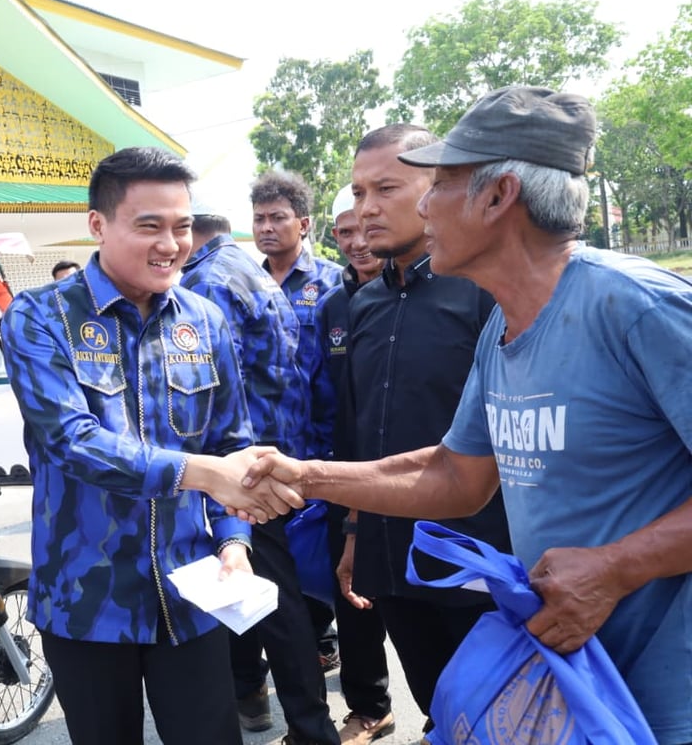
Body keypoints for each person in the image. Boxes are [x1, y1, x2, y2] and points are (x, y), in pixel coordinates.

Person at [243, 86, 692, 745]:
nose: (425, 205)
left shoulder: (635, 307)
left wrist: (615, 567)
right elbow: (457, 475)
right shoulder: (502, 325)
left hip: (666, 696)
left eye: (443, 184)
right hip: (569, 684)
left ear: (498, 196)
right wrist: (305, 476)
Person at [0, 146, 302, 745]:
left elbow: (231, 442)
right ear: (98, 224)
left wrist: (234, 541)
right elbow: (71, 441)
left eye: (182, 227)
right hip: (85, 600)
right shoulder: (39, 317)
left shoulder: (204, 320)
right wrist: (202, 472)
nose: (171, 244)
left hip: (190, 594)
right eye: (149, 226)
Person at [325, 124, 511, 736]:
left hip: (476, 556)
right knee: (439, 707)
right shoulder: (363, 304)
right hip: (390, 554)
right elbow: (359, 432)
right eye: (358, 192)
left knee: (499, 716)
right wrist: (355, 532)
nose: (366, 209)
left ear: (436, 188)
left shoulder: (485, 294)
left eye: (386, 189)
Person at [180, 201, 339, 745]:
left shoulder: (206, 282)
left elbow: (205, 384)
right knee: (251, 583)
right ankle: (251, 693)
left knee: (271, 599)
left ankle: (310, 727)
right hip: (276, 449)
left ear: (191, 235)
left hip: (239, 462)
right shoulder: (254, 274)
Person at [250, 169, 342, 690]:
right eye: (259, 218)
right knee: (275, 568)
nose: (266, 227)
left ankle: (323, 650)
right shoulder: (244, 283)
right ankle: (290, 666)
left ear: (303, 224)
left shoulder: (332, 283)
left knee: (320, 566)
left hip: (321, 451)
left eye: (277, 218)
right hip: (264, 454)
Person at [313, 187, 395, 744]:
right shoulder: (332, 307)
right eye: (344, 231)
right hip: (347, 472)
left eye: (365, 229)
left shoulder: (435, 290)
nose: (357, 241)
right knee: (354, 592)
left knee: (429, 600)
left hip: (418, 469)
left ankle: (449, 714)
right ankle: (369, 708)